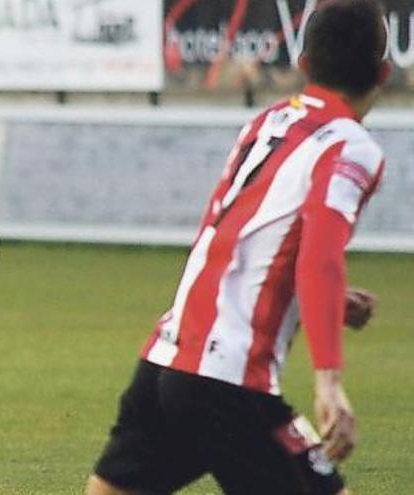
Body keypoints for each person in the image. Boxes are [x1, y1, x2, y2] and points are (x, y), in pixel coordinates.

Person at [86, 1, 389, 494]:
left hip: (169, 356)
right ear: (383, 71)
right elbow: (319, 255)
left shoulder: (267, 122)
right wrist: (328, 380)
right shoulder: (350, 147)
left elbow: (236, 234)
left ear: (304, 64)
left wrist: (326, 301)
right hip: (226, 380)